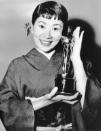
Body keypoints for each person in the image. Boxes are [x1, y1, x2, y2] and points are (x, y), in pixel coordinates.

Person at [0, 1, 101, 131]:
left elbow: (92, 104)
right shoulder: (18, 66)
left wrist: (75, 58)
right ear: (31, 28)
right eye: (42, 26)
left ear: (63, 32)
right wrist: (46, 101)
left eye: (55, 28)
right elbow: (5, 107)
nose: (47, 35)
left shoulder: (74, 64)